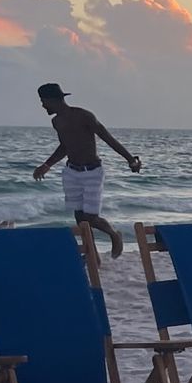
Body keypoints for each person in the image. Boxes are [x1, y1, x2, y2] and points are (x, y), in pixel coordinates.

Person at [32, 83, 142, 255]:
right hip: (71, 172)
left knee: (91, 217)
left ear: (52, 100)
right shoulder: (56, 121)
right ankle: (92, 254)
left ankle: (114, 235)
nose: (42, 105)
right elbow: (65, 146)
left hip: (92, 172)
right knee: (80, 217)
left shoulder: (84, 116)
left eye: (43, 101)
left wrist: (130, 160)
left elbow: (107, 138)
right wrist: (46, 165)